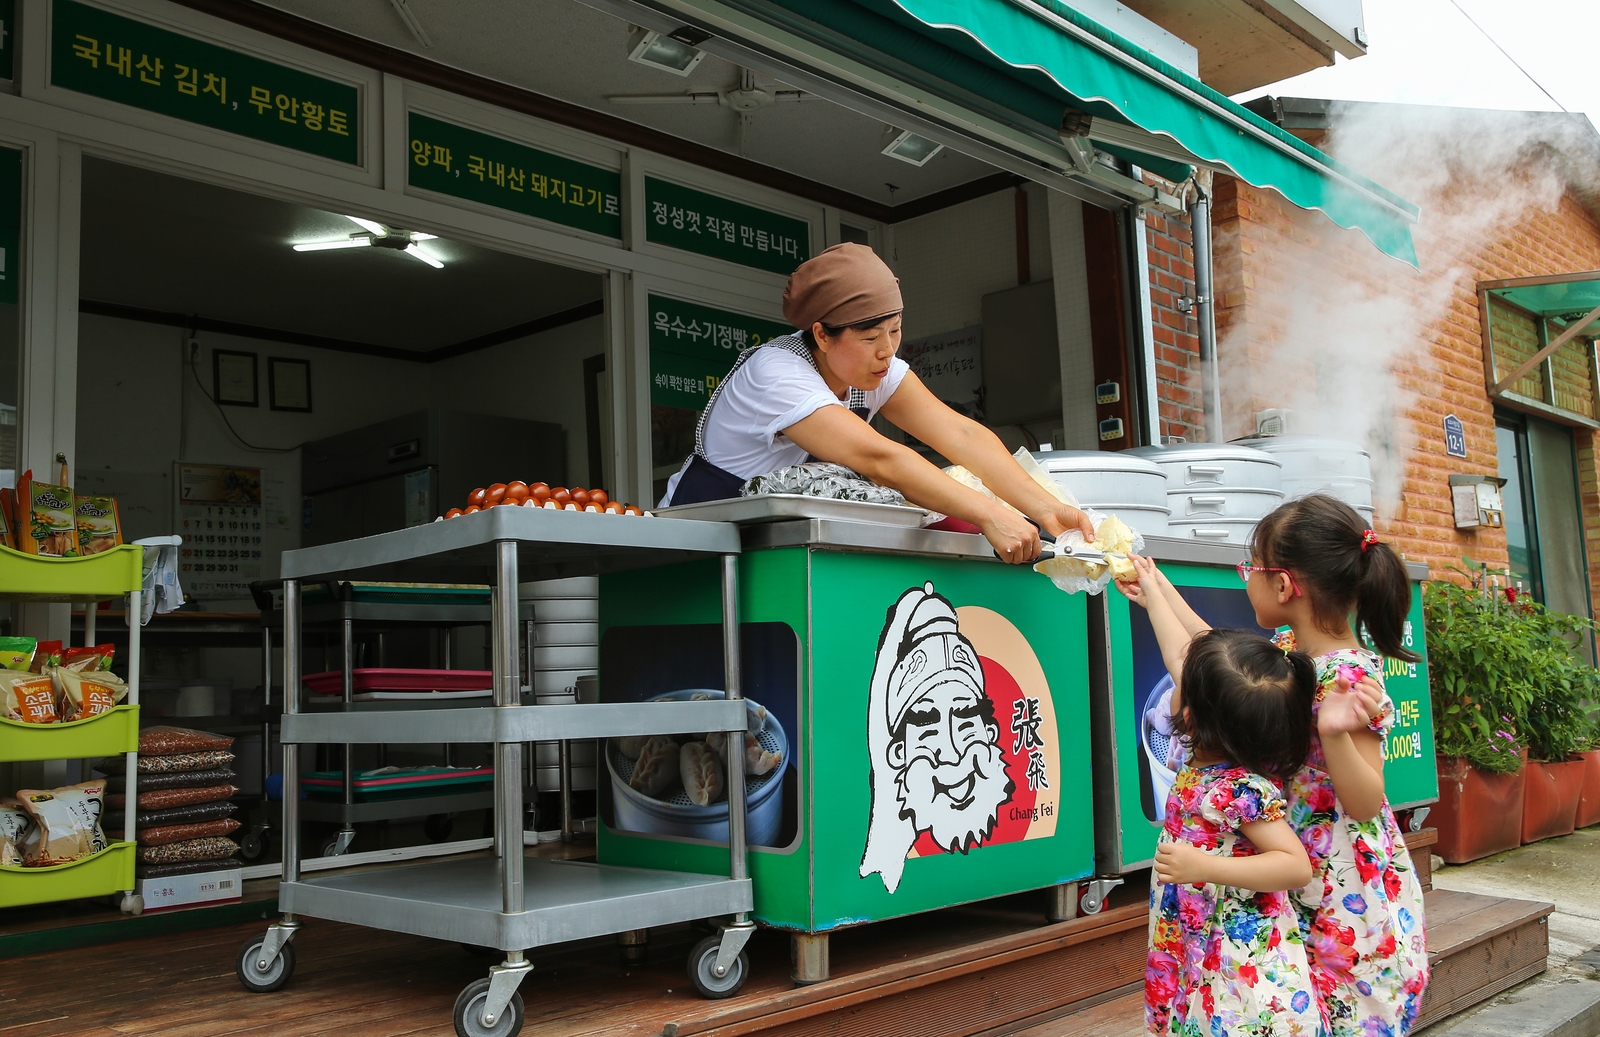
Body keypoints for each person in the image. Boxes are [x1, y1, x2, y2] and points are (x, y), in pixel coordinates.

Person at [1122, 494, 1431, 1036]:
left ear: (1284, 586)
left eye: (1252, 569)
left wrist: (1334, 733)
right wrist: (1158, 591)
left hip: (1336, 884)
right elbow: (1214, 659)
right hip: (1286, 855)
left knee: (1335, 1013)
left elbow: (1365, 801)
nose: (1247, 579)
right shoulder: (1290, 648)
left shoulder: (1348, 677)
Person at [659, 242, 1093, 563]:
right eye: (870, 338)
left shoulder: (872, 371)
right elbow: (880, 458)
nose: (887, 350)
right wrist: (989, 513)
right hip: (698, 549)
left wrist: (1046, 509)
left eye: (895, 330)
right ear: (822, 335)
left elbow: (961, 434)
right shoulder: (776, 374)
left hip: (774, 551)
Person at [1124, 568, 1319, 1037]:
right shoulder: (1207, 748)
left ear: (1190, 716)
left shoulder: (1238, 789)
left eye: (1181, 684)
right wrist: (1154, 591)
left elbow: (1295, 866)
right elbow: (1180, 653)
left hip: (1236, 961)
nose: (1175, 678)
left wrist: (1205, 866)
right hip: (1191, 935)